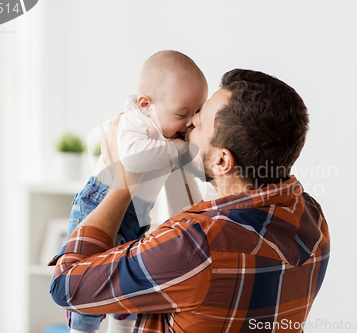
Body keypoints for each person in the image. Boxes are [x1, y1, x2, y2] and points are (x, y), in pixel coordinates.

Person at [49, 69, 330, 333]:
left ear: (222, 160)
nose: (190, 121)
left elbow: (67, 288)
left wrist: (124, 184)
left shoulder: (195, 244)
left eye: (199, 120)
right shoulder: (311, 217)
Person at [59, 50, 208, 333]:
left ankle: (121, 324)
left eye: (197, 113)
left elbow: (194, 167)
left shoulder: (167, 130)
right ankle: (81, 327)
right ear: (146, 104)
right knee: (89, 275)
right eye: (182, 113)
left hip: (136, 215)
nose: (190, 122)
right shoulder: (134, 122)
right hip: (98, 204)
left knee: (123, 283)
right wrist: (180, 150)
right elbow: (132, 161)